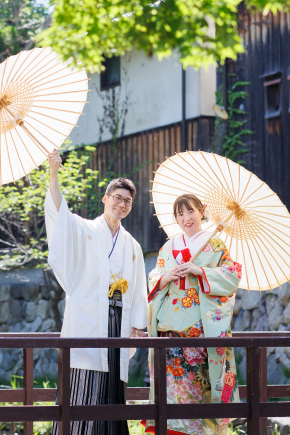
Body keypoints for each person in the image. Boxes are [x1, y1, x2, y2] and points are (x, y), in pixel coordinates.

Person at [45, 149, 148, 435]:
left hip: (118, 323)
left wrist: (139, 326)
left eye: (128, 201)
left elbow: (139, 289)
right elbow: (59, 216)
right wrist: (53, 174)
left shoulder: (133, 246)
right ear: (105, 199)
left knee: (113, 386)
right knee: (83, 381)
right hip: (88, 321)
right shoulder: (84, 230)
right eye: (117, 197)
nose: (122, 204)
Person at [143, 194, 242, 435]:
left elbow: (233, 275)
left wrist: (200, 271)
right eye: (180, 214)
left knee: (198, 388)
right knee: (170, 390)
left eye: (190, 212)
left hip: (198, 326)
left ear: (202, 211)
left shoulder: (216, 245)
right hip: (168, 326)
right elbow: (155, 275)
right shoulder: (169, 246)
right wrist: (165, 277)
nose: (186, 218)